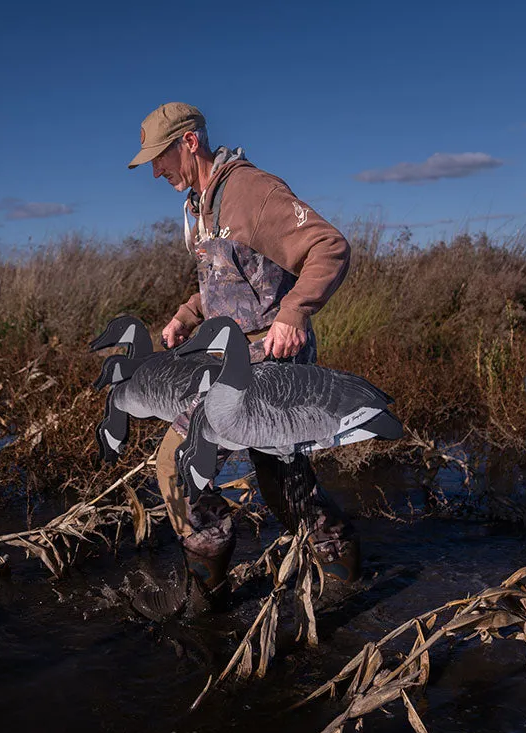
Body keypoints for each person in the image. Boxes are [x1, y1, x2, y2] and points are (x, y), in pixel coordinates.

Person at [127, 101, 359, 606]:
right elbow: (224, 280)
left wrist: (295, 313)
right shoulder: (200, 206)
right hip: (234, 361)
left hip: (269, 366)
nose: (155, 170)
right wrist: (187, 315)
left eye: (160, 158)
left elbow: (329, 247)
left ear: (189, 142)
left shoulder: (252, 192)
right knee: (283, 484)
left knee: (177, 463)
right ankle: (344, 578)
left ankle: (205, 593)